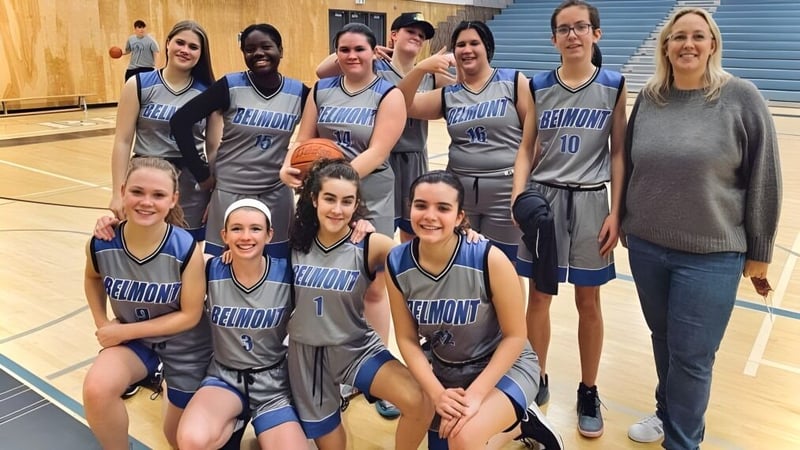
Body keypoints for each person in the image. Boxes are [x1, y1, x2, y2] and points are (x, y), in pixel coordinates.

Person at [622, 7, 781, 449]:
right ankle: (667, 413)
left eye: (698, 36)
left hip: (712, 255)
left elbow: (764, 175)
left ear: (712, 43)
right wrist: (623, 222)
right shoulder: (651, 98)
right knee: (664, 341)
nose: (687, 44)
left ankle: (682, 441)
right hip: (648, 247)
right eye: (678, 37)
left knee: (692, 357)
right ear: (665, 46)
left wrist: (760, 250)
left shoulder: (741, 97)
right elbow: (630, 164)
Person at [511, 0, 628, 437]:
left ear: (596, 34)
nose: (573, 35)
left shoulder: (614, 84)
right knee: (538, 297)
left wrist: (617, 210)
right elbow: (527, 147)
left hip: (592, 201)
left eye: (581, 27)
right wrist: (518, 195)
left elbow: (618, 152)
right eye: (564, 28)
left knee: (588, 301)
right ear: (554, 38)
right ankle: (535, 377)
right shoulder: (538, 85)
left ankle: (588, 389)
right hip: (544, 200)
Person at [385, 170, 563, 450]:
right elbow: (406, 339)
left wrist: (476, 396)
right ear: (410, 209)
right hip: (447, 367)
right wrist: (437, 393)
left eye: (443, 208)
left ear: (459, 217)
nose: (430, 215)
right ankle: (514, 422)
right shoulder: (396, 262)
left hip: (505, 366)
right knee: (418, 416)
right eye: (421, 205)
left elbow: (516, 336)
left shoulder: (488, 258)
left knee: (462, 438)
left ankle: (521, 422)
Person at [281, 23, 406, 417]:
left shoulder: (390, 94)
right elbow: (304, 139)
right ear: (337, 53)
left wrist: (336, 184)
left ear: (375, 52)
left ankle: (375, 373)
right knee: (324, 275)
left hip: (369, 192)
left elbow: (379, 150)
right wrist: (290, 164)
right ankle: (328, 359)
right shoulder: (322, 89)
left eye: (359, 49)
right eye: (344, 50)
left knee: (372, 287)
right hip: (325, 195)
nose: (352, 56)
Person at [286, 159, 432, 450]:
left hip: (355, 348)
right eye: (329, 199)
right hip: (307, 358)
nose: (337, 209)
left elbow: (424, 256)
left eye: (347, 201)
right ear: (314, 198)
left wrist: (465, 236)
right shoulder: (293, 241)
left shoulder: (370, 244)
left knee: (421, 402)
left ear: (356, 205)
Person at [83, 157, 212, 450]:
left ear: (173, 200)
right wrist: (102, 322)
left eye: (158, 195)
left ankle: (169, 383)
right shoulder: (102, 242)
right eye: (138, 192)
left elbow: (190, 316)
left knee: (178, 439)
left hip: (186, 344)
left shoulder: (184, 248)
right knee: (97, 390)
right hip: (138, 344)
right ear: (123, 190)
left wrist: (120, 333)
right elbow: (92, 277)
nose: (146, 202)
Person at [397, 20, 531, 269]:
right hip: (460, 191)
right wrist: (420, 70)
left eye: (473, 43)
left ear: (487, 47)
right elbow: (400, 104)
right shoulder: (450, 94)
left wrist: (522, 190)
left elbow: (532, 141)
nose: (466, 49)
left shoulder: (513, 82)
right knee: (461, 264)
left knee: (504, 266)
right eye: (460, 45)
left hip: (505, 190)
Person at [176, 199, 308, 450]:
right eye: (237, 229)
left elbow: (334, 254)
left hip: (273, 384)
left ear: (269, 235)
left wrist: (362, 229)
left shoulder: (289, 272)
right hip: (224, 378)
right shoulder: (208, 268)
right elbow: (162, 249)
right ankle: (235, 423)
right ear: (224, 235)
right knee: (191, 440)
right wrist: (117, 226)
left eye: (255, 229)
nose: (246, 237)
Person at [315, 12, 454, 244]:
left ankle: (405, 273)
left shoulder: (431, 75)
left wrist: (450, 61)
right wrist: (369, 47)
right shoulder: (376, 67)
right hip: (379, 161)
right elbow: (322, 71)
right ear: (394, 35)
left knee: (413, 229)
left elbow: (463, 88)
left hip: (414, 158)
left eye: (421, 35)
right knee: (377, 230)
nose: (417, 37)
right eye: (411, 31)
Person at [173, 23, 308, 259]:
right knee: (220, 265)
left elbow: (322, 126)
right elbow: (181, 121)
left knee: (276, 263)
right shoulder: (230, 85)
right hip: (230, 190)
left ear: (280, 50)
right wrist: (202, 174)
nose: (258, 53)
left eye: (266, 46)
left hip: (276, 191)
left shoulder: (299, 92)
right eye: (250, 49)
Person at [109, 20, 220, 242]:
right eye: (180, 42)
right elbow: (122, 141)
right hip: (145, 178)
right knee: (143, 244)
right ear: (168, 43)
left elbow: (214, 147)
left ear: (201, 53)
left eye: (193, 47)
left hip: (191, 181)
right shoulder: (138, 84)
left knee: (187, 250)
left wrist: (216, 194)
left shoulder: (210, 92)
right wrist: (116, 193)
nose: (185, 50)